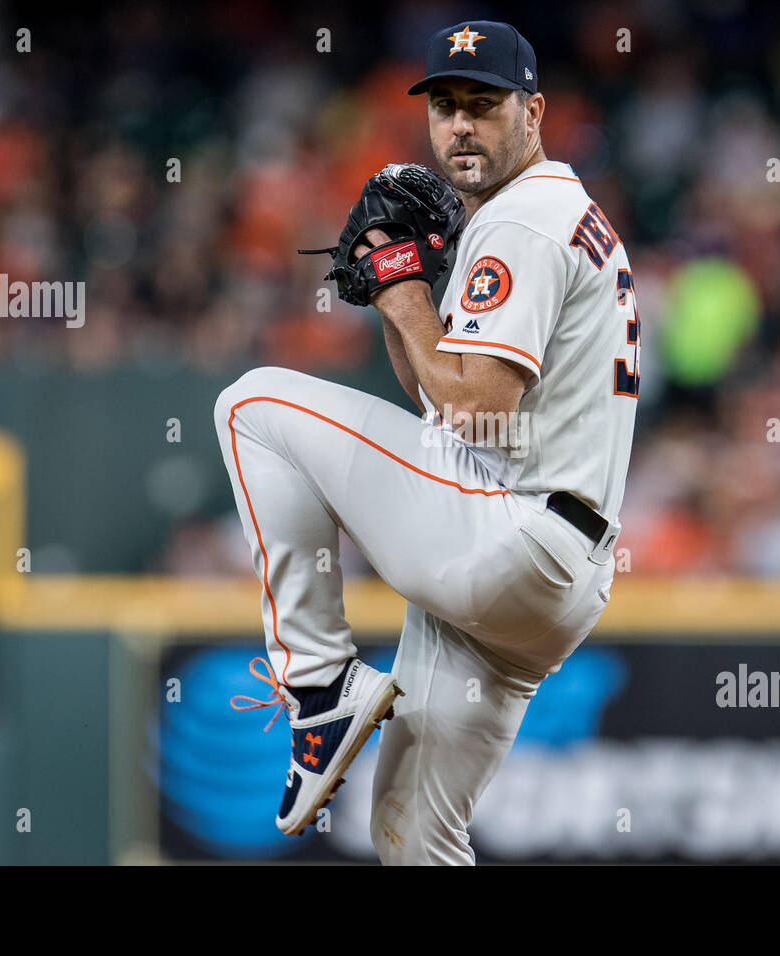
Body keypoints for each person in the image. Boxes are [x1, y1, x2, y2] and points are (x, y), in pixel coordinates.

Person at [214, 19, 639, 865]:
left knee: (251, 405)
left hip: (511, 534)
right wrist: (393, 291)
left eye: (483, 105)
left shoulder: (525, 217)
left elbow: (476, 407)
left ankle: (320, 680)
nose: (460, 127)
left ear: (535, 112)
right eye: (445, 107)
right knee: (412, 832)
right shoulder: (551, 212)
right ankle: (329, 688)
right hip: (539, 581)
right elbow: (442, 401)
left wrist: (401, 280)